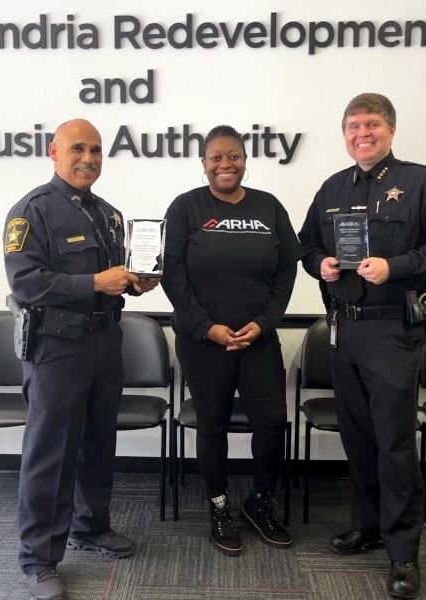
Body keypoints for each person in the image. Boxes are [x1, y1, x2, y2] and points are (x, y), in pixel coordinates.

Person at [298, 93, 426, 599]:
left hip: (393, 331)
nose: (362, 134)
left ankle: (403, 552)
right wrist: (319, 264)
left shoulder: (423, 182)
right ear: (344, 134)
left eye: (371, 124)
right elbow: (306, 244)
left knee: (394, 444)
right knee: (358, 438)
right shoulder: (332, 187)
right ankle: (368, 526)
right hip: (344, 329)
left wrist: (396, 266)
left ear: (391, 130)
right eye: (353, 126)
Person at [3, 118, 159, 600]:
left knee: (97, 442)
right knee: (50, 453)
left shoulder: (109, 215)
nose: (88, 158)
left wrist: (136, 281)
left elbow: (115, 279)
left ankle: (90, 527)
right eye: (77, 149)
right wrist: (94, 282)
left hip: (104, 341)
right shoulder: (32, 211)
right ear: (54, 152)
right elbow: (25, 281)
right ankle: (38, 560)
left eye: (95, 150)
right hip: (57, 348)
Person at [161, 125, 304, 556]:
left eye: (234, 156)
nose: (226, 164)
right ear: (204, 163)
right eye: (216, 158)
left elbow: (287, 268)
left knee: (271, 422)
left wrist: (265, 322)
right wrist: (206, 327)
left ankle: (260, 502)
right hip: (203, 342)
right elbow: (172, 275)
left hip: (258, 339)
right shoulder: (185, 207)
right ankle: (219, 506)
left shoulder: (268, 206)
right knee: (213, 425)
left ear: (245, 160)